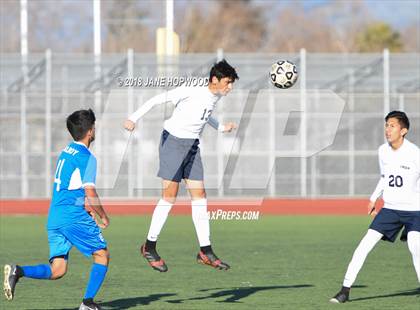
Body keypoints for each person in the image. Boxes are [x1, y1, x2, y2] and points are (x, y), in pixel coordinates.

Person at [124, 59, 239, 272]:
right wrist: (133, 118)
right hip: (173, 143)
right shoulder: (192, 89)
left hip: (192, 146)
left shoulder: (214, 95)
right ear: (215, 79)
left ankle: (205, 250)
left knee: (200, 195)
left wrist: (221, 128)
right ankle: (149, 247)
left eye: (232, 83)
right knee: (170, 195)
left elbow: (205, 115)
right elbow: (157, 100)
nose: (230, 87)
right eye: (228, 82)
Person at [3, 109, 110, 310]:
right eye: (94, 126)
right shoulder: (87, 157)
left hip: (55, 217)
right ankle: (87, 304)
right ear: (90, 131)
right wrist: (102, 215)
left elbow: (70, 187)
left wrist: (82, 208)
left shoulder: (66, 151)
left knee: (58, 269)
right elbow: (90, 191)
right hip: (72, 216)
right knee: (102, 255)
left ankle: (18, 271)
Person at [330, 111, 420, 303]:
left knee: (415, 247)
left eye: (393, 126)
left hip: (414, 212)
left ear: (403, 131)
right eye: (386, 125)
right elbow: (384, 178)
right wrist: (373, 199)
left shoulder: (415, 153)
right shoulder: (382, 151)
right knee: (363, 246)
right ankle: (344, 290)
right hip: (390, 210)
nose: (388, 129)